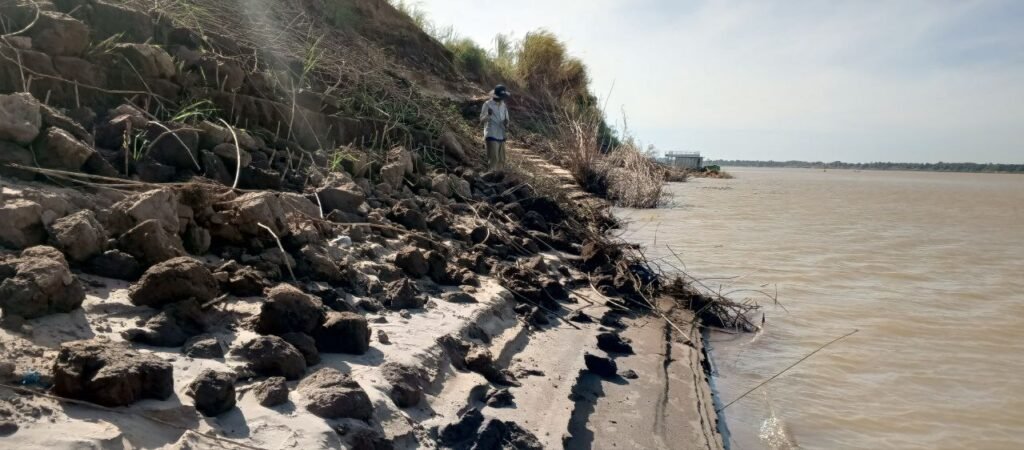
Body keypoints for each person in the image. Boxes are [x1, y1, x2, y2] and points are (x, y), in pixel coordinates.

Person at [480, 85, 510, 170]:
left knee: (502, 159)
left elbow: (507, 120)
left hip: (501, 134)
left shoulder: (503, 106)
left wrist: (506, 123)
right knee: (494, 159)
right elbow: (482, 120)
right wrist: (488, 115)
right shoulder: (487, 104)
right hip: (491, 133)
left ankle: (498, 179)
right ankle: (491, 177)